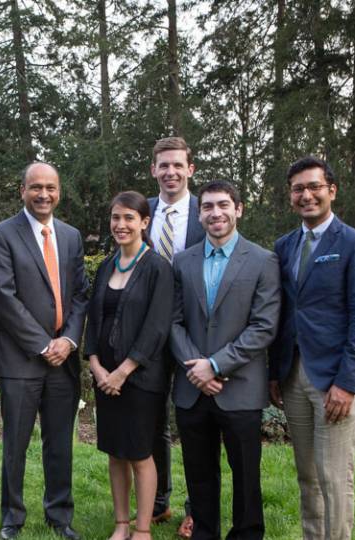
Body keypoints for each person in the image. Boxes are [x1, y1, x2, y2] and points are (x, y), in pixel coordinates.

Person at [269, 157, 355, 540]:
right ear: (290, 196)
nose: (307, 195)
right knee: (308, 476)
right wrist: (274, 372)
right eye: (298, 188)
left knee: (334, 477)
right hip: (294, 376)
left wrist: (348, 383)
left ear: (332, 190)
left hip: (335, 379)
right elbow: (281, 314)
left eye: (314, 186)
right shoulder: (284, 246)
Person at [170, 181, 280, 540]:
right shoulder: (182, 261)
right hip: (192, 389)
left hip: (240, 388)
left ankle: (247, 534)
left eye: (223, 205)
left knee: (246, 475)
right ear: (199, 214)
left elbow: (264, 326)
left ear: (239, 209)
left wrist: (215, 365)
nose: (215, 213)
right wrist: (196, 367)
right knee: (199, 473)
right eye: (207, 207)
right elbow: (173, 321)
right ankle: (204, 533)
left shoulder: (263, 260)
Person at [0, 162, 91, 540]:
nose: (43, 194)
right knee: (15, 444)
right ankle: (12, 518)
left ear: (58, 192)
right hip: (20, 359)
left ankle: (59, 516)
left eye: (50, 188)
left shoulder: (71, 236)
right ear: (22, 191)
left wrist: (69, 341)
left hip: (64, 360)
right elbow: (4, 297)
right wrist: (44, 344)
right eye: (36, 187)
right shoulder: (1, 235)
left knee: (60, 443)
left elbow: (81, 294)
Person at [83, 191, 174, 540]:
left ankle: (142, 528)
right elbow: (94, 318)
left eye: (129, 218)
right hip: (105, 377)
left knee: (139, 453)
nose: (121, 224)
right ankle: (121, 524)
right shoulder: (107, 265)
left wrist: (123, 371)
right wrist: (95, 364)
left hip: (140, 378)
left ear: (144, 222)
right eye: (116, 217)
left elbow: (157, 327)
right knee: (115, 452)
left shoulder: (157, 268)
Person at [145, 136, 206, 538]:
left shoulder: (208, 211)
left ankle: (197, 509)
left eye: (177, 165)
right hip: (149, 335)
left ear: (190, 169)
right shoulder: (141, 210)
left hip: (194, 333)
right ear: (154, 169)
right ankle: (158, 502)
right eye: (163, 165)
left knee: (195, 423)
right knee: (153, 422)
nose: (170, 172)